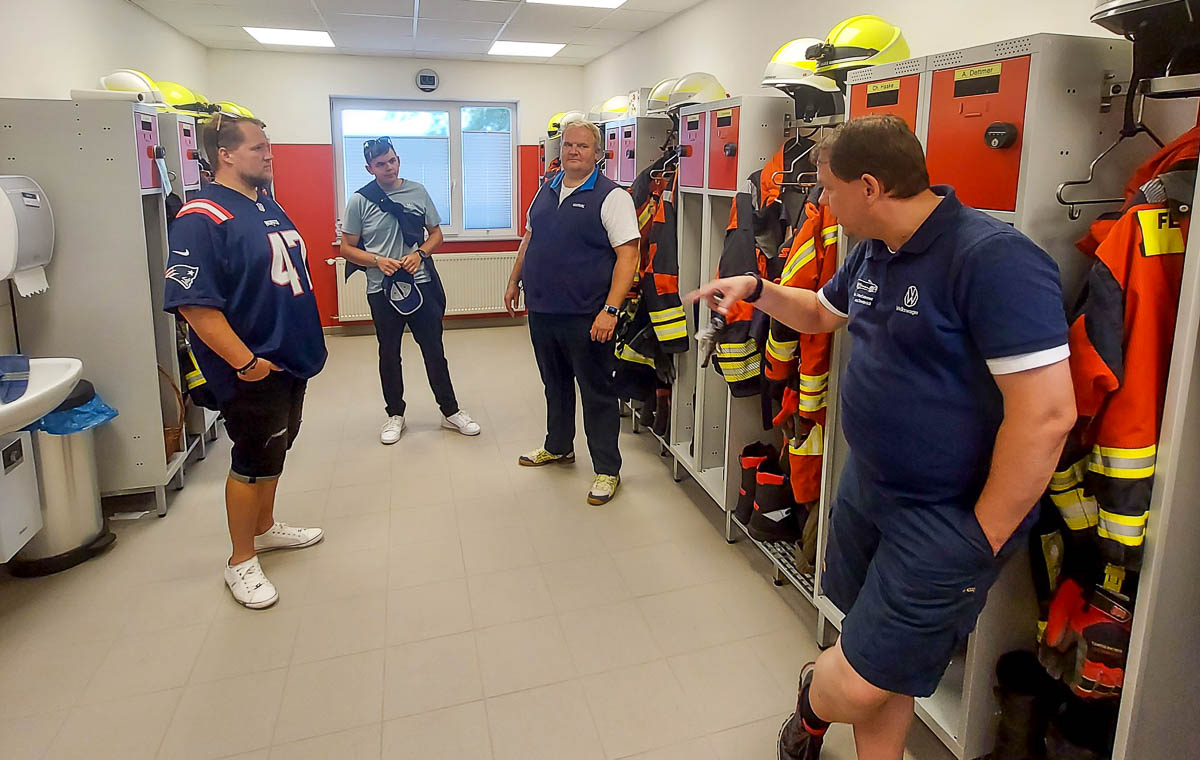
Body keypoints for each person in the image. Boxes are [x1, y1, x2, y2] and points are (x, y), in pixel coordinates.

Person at [688, 115, 1077, 759]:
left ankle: (812, 701)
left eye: (828, 188)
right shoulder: (877, 247)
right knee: (882, 667)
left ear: (870, 187)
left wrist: (978, 538)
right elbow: (821, 312)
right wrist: (757, 290)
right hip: (870, 489)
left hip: (944, 517)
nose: (821, 201)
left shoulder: (993, 259)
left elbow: (1048, 415)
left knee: (861, 680)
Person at [164, 114, 328, 610]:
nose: (269, 155)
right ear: (226, 154)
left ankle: (265, 527)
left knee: (277, 447)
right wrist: (245, 362)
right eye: (258, 148)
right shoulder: (201, 216)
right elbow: (194, 305)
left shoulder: (264, 202)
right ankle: (240, 559)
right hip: (253, 365)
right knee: (252, 459)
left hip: (289, 358)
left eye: (268, 146)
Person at [504, 119, 641, 505]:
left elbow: (628, 255)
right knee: (555, 384)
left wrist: (610, 310)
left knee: (596, 392)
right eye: (568, 145)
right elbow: (530, 238)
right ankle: (558, 446)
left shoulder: (613, 197)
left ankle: (607, 470)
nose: (574, 151)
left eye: (582, 146)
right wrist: (514, 280)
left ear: (597, 154)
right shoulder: (546, 190)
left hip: (588, 314)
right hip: (543, 308)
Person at [340, 136, 480, 444]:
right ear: (369, 168)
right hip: (381, 289)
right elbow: (346, 248)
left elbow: (436, 234)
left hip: (421, 285)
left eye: (392, 161)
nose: (389, 167)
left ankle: (450, 411)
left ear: (398, 160)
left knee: (434, 350)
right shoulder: (359, 201)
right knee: (389, 353)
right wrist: (377, 261)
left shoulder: (418, 191)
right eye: (380, 164)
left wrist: (420, 254)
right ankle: (395, 415)